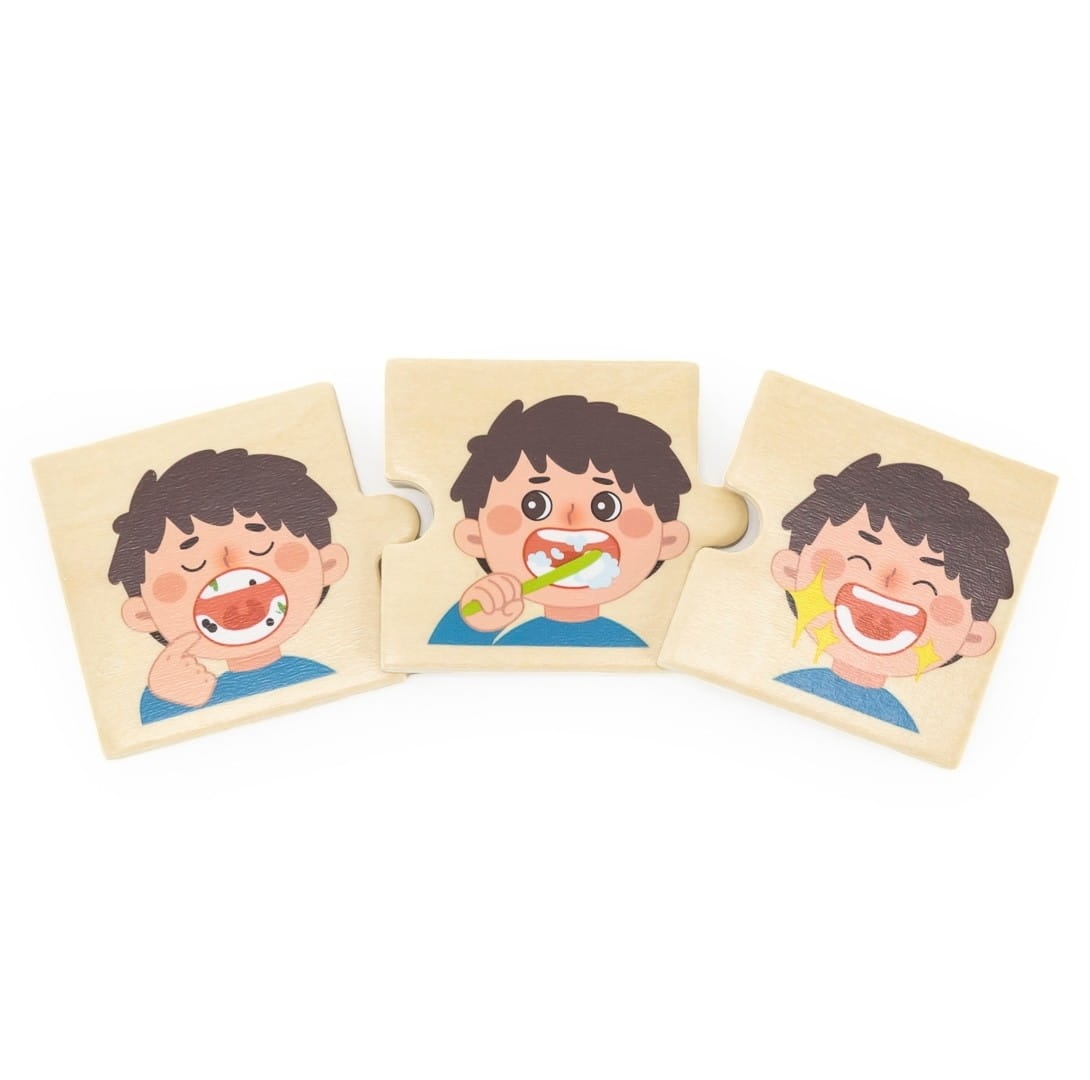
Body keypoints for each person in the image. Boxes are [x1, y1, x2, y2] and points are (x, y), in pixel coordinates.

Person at [770, 454, 1013, 732]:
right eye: (861, 554)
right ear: (790, 570)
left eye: (927, 577)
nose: (891, 578)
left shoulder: (905, 728)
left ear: (972, 637)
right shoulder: (778, 694)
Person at [109, 448, 349, 723]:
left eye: (261, 548)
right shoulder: (174, 699)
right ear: (143, 614)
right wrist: (166, 697)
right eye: (192, 564)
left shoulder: (327, 678)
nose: (229, 568)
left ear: (328, 564)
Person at [429, 395, 691, 646]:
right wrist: (471, 622)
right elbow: (441, 651)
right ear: (474, 536)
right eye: (534, 505)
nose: (572, 517)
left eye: (605, 506)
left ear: (668, 540)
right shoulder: (503, 639)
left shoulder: (653, 644)